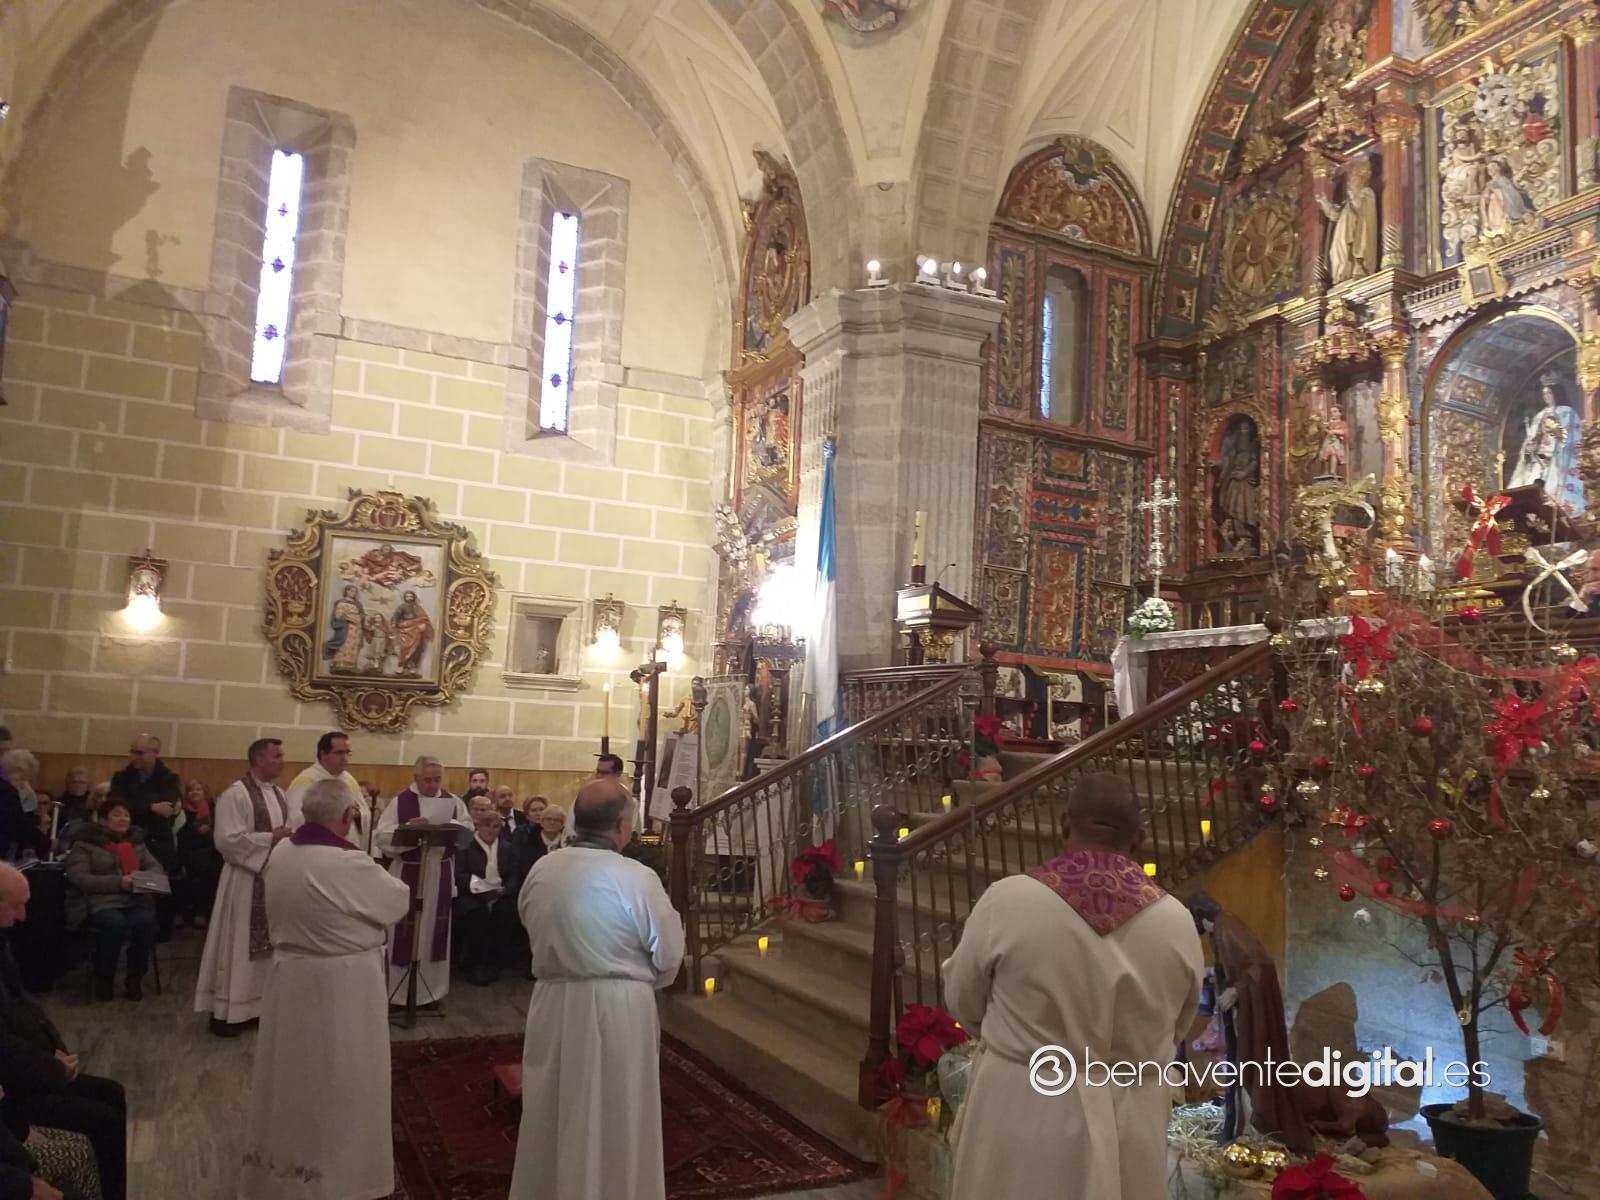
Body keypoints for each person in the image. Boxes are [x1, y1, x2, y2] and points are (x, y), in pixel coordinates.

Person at [941, 772, 1204, 1200]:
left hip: (1023, 1104)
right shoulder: (1178, 922)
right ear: (1138, 840)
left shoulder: (1007, 900)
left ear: (1064, 825)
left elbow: (963, 1001)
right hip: (1131, 1116)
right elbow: (1180, 1024)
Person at [509, 780, 684, 1200]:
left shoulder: (543, 869)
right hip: (619, 1007)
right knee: (617, 1111)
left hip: (554, 1001)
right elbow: (669, 954)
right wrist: (643, 978)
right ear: (622, 827)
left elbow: (528, 925)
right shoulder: (636, 877)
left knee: (555, 1108)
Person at [237, 780, 410, 1200]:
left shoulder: (282, 851)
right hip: (342, 984)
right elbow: (397, 901)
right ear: (348, 816)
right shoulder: (347, 862)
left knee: (294, 1075)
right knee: (343, 1077)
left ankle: (285, 1175)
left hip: (291, 977)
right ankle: (342, 1178)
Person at [0, 864, 129, 1200]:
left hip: (25, 1069)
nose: (23, 916)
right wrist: (53, 1069)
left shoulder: (2, 945)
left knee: (112, 1094)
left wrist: (54, 1049)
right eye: (16, 906)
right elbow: (5, 1049)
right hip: (12, 1086)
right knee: (101, 1118)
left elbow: (27, 1011)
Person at [1185, 891, 1314, 1155]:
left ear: (1198, 915)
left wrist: (1237, 990)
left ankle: (1257, 1126)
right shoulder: (1220, 930)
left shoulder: (1227, 927)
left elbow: (1260, 965)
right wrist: (1214, 975)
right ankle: (1240, 1126)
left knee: (1250, 1063)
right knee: (1238, 1065)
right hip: (1241, 1013)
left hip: (1251, 1013)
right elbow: (1234, 964)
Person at [194, 738, 292, 1037]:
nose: (282, 761)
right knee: (237, 946)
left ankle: (258, 1007)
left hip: (271, 878)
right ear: (259, 759)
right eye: (277, 756)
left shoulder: (280, 794)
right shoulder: (235, 794)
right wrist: (271, 838)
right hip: (243, 880)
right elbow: (226, 841)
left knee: (267, 950)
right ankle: (230, 1011)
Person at [373, 756, 469, 1006]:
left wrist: (454, 827)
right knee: (403, 931)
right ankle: (398, 994)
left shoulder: (453, 801)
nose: (433, 784)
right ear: (416, 778)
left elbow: (467, 830)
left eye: (437, 779)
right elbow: (382, 836)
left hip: (439, 873)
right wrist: (407, 828)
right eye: (428, 780)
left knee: (435, 933)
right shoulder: (401, 801)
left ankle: (431, 994)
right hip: (409, 872)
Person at [61, 799, 162, 1001]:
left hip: (133, 899)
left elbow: (155, 867)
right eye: (116, 815)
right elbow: (80, 877)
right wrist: (118, 883)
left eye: (126, 815)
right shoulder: (85, 844)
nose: (123, 819)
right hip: (97, 901)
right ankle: (104, 978)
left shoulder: (136, 843)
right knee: (114, 924)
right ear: (103, 820)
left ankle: (134, 978)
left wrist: (141, 879)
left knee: (144, 922)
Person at [108, 735, 180, 939]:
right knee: (129, 883)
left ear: (155, 753)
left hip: (158, 840)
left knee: (159, 885)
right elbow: (116, 805)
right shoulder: (121, 777)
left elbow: (167, 808)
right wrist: (151, 807)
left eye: (139, 753)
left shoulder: (169, 778)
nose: (134, 757)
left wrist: (137, 806)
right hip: (128, 839)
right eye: (132, 752)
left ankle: (160, 932)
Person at [453, 797, 521, 986]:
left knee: (505, 912)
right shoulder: (465, 848)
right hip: (473, 895)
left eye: (496, 827)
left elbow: (514, 873)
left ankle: (495, 962)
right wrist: (481, 890)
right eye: (487, 826)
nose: (491, 830)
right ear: (478, 826)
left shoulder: (507, 848)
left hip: (500, 894)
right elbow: (460, 875)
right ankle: (474, 964)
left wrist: (505, 890)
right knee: (478, 915)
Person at [284, 732, 371, 854]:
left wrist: (356, 814)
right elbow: (297, 818)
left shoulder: (348, 780)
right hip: (316, 850)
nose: (345, 758)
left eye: (347, 753)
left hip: (348, 849)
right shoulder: (306, 781)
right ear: (323, 754)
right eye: (339, 753)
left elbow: (364, 813)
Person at [1316, 156, 1378, 283]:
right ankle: (1340, 276)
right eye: (1349, 180)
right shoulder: (1346, 203)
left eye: (1353, 178)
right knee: (1335, 252)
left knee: (1345, 252)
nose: (1349, 183)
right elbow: (1335, 215)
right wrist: (1324, 203)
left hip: (1355, 235)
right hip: (1341, 236)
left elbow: (1364, 214)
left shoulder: (1366, 193)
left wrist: (1354, 196)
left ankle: (1356, 269)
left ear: (1362, 178)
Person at [174, 779, 222, 928]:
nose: (194, 793)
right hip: (187, 852)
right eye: (191, 790)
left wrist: (206, 834)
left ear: (204, 793)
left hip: (209, 852)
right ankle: (184, 913)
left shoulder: (213, 810)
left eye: (198, 789)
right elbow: (181, 835)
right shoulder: (181, 812)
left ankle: (202, 913)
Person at [0, 752, 46, 864]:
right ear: (17, 771)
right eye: (23, 779)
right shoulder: (6, 790)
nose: (23, 784)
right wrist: (45, 842)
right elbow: (16, 821)